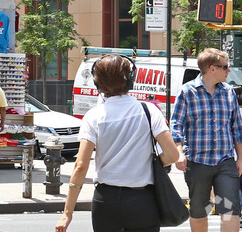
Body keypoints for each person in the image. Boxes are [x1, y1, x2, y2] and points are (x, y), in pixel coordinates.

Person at [56, 54, 179, 232]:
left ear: (98, 84)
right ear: (131, 79)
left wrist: (67, 213)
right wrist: (151, 162)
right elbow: (173, 155)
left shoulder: (94, 116)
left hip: (106, 200)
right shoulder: (148, 111)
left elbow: (80, 166)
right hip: (142, 199)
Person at [170, 48, 242, 232]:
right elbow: (176, 125)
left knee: (230, 209)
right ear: (212, 68)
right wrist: (179, 154)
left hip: (225, 160)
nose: (228, 71)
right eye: (225, 67)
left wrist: (240, 158)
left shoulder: (229, 92)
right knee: (200, 210)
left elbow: (237, 128)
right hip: (197, 162)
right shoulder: (187, 92)